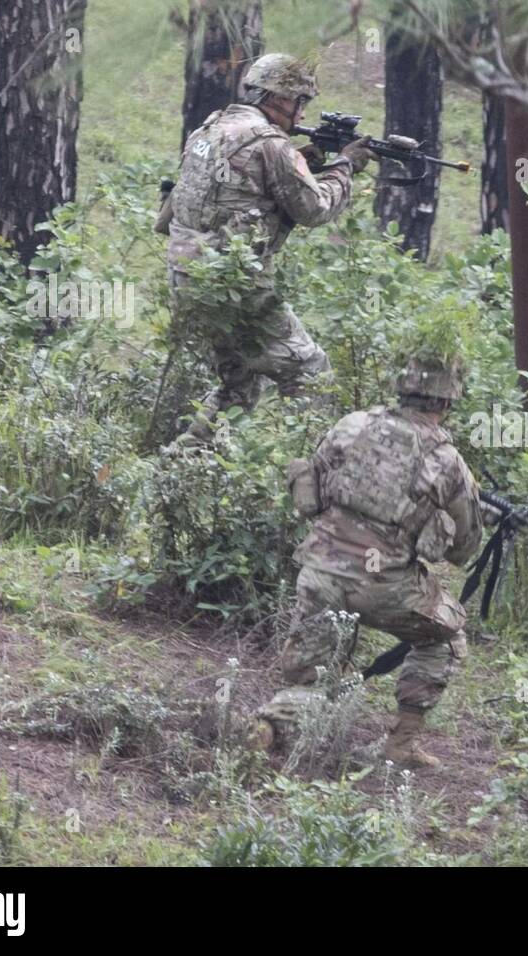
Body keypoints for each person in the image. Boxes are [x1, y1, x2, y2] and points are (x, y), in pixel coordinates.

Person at [254, 351, 485, 769]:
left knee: (312, 676)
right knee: (446, 637)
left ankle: (268, 729)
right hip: (383, 587)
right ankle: (400, 745)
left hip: (319, 571)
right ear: (447, 401)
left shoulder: (352, 425)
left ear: (402, 388)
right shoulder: (448, 461)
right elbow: (465, 549)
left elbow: (313, 491)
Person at [154, 53, 376, 442]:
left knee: (237, 387)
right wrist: (345, 167)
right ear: (279, 98)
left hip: (189, 278)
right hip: (237, 287)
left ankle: (183, 469)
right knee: (310, 372)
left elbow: (225, 193)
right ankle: (313, 478)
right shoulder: (271, 144)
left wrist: (303, 162)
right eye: (300, 102)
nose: (303, 112)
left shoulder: (208, 129)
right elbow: (314, 209)